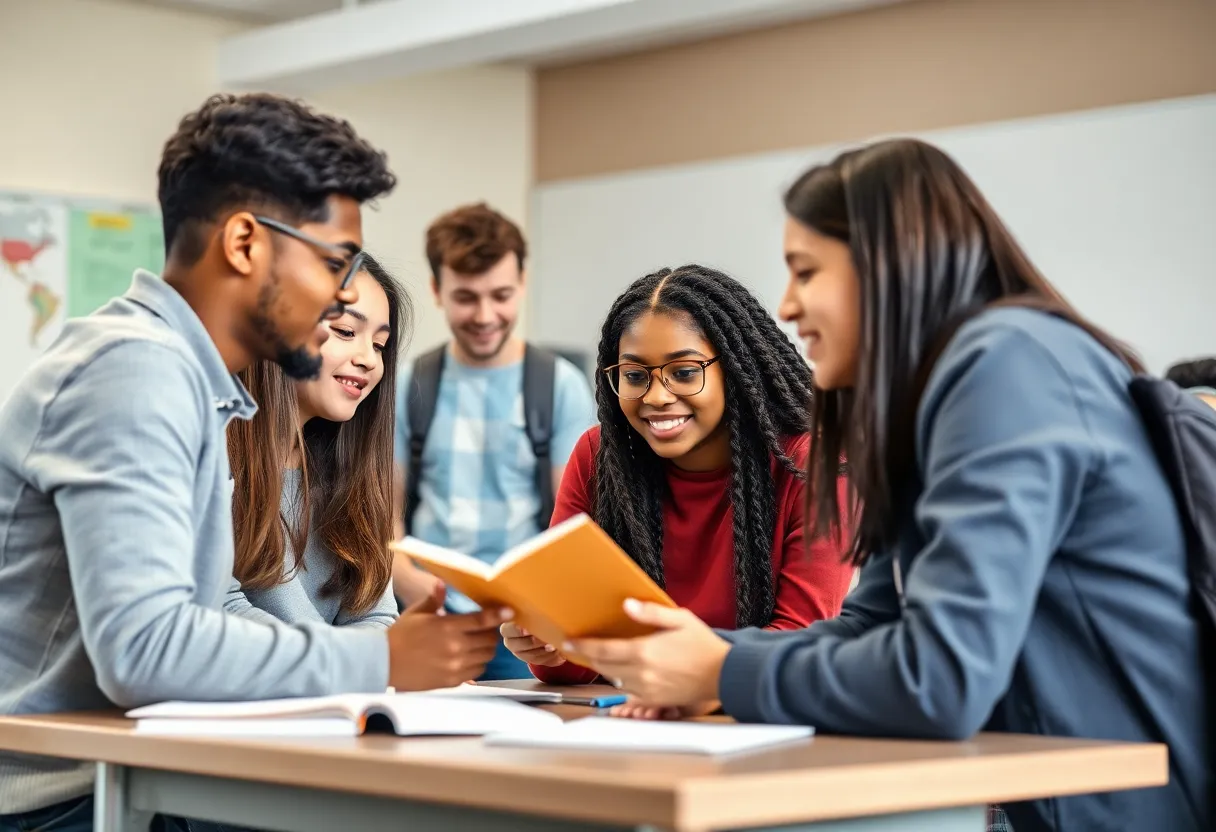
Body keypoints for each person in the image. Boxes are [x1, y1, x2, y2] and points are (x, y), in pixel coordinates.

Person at [568, 139, 1212, 832]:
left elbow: (940, 680)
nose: (787, 305)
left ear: (887, 264)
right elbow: (870, 625)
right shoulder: (938, 395)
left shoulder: (1004, 366)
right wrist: (714, 661)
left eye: (806, 272)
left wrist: (721, 673)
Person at [0, 93, 508, 831]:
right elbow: (145, 650)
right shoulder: (135, 372)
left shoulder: (193, 382)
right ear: (244, 243)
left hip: (135, 779)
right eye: (332, 264)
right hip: (61, 802)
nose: (340, 296)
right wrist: (385, 662)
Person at [501, 265, 855, 684]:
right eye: (635, 376)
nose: (656, 396)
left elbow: (798, 646)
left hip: (751, 714)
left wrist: (678, 669)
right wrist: (546, 640)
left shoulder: (813, 465)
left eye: (684, 372)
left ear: (736, 369)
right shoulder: (598, 458)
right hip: (630, 715)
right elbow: (569, 667)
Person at [392, 202, 596, 680]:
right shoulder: (409, 384)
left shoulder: (559, 386)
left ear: (522, 283)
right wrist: (405, 579)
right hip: (430, 613)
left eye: (501, 295)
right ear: (437, 291)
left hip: (524, 623)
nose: (485, 316)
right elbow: (383, 507)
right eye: (466, 297)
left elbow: (571, 520)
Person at [225, 255, 408, 630]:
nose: (369, 360)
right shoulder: (208, 455)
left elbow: (376, 614)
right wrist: (351, 656)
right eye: (345, 332)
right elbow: (218, 606)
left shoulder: (352, 477)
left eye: (379, 344)